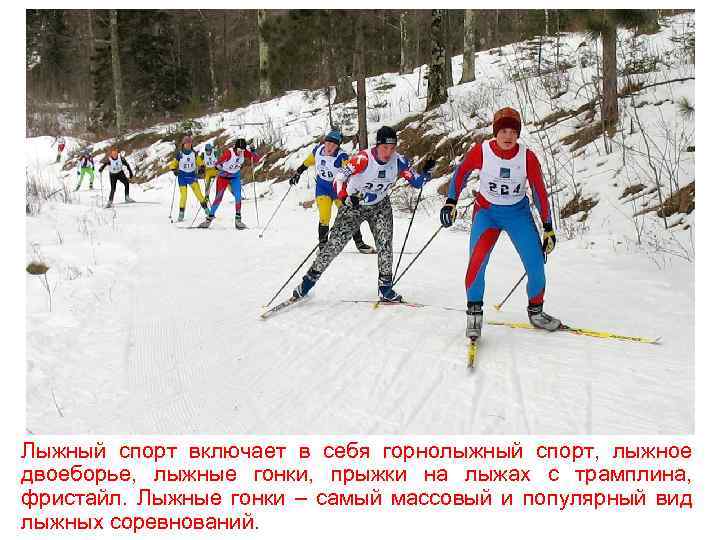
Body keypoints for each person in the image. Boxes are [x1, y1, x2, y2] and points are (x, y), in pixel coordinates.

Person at [439, 107, 560, 338]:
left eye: (512, 132)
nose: (507, 136)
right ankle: (474, 314)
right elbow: (461, 173)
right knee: (477, 263)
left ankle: (536, 312)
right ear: (496, 132)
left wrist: (548, 227)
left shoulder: (527, 157)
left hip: (518, 215)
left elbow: (539, 193)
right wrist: (451, 201)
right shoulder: (482, 151)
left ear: (518, 134)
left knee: (536, 266)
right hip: (488, 214)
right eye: (503, 131)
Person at [291, 126, 435, 303]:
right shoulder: (363, 159)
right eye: (385, 148)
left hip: (380, 205)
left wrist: (427, 172)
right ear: (377, 145)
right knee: (333, 246)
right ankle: (306, 284)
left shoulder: (399, 161)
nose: (388, 152)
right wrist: (345, 198)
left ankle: (385, 288)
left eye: (392, 148)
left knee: (385, 244)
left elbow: (417, 182)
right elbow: (339, 178)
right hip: (354, 205)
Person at [289, 130, 375, 253]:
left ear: (338, 146)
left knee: (348, 216)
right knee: (325, 216)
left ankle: (360, 244)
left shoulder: (341, 156)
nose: (330, 147)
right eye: (328, 143)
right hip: (323, 188)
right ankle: (323, 247)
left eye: (334, 145)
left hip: (338, 190)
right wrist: (297, 173)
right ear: (325, 142)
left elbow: (351, 172)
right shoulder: (318, 151)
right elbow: (307, 162)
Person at [198, 138, 262, 230]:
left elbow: (256, 159)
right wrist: (218, 167)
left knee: (238, 196)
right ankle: (209, 219)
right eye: (240, 150)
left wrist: (253, 150)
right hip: (223, 177)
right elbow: (217, 163)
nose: (241, 152)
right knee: (218, 198)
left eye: (243, 150)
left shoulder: (244, 152)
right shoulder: (229, 153)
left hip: (235, 177)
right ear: (236, 148)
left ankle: (238, 220)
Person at [169, 135, 210, 222]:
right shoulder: (180, 154)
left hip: (192, 176)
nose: (188, 145)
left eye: (189, 144)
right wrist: (174, 170)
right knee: (183, 196)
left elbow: (200, 162)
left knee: (199, 194)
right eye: (186, 144)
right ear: (183, 144)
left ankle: (207, 211)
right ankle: (181, 214)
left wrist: (202, 167)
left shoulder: (194, 154)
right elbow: (173, 164)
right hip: (182, 177)